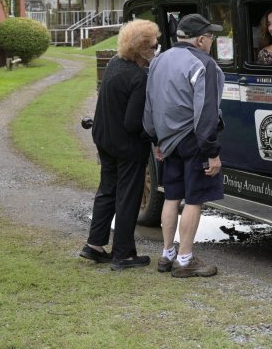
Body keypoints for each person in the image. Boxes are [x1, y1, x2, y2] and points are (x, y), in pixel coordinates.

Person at [143, 14, 225, 278]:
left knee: (171, 195)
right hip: (194, 139)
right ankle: (185, 259)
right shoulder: (204, 64)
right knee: (194, 199)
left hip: (167, 140)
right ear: (200, 39)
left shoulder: (158, 60)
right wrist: (212, 152)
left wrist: (156, 140)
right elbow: (206, 112)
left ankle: (167, 254)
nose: (212, 41)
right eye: (211, 36)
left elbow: (149, 105)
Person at [80, 18, 160, 270]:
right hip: (125, 145)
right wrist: (154, 136)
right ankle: (123, 253)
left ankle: (94, 244)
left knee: (107, 190)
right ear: (142, 48)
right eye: (154, 46)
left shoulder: (115, 64)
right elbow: (133, 123)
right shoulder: (138, 76)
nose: (156, 50)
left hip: (104, 138)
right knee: (128, 196)